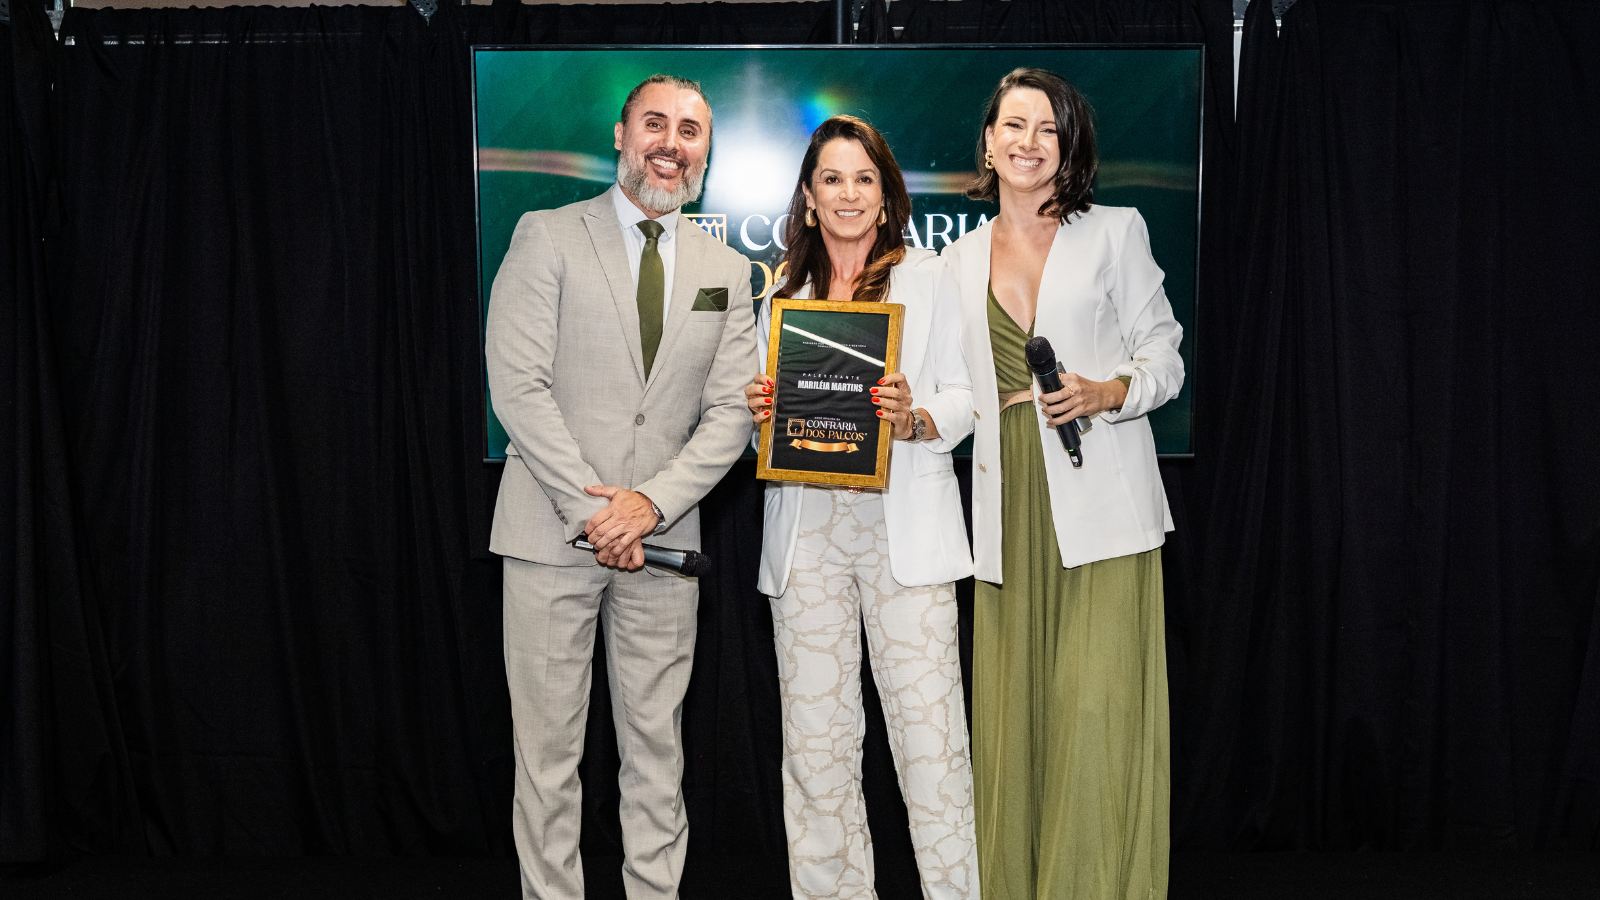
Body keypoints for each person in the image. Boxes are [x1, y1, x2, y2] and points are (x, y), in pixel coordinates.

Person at [485, 74, 758, 900]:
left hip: (665, 550)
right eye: (655, 124)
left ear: (706, 149)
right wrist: (597, 511)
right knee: (548, 763)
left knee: (657, 755)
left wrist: (650, 506)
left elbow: (731, 415)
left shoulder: (729, 270)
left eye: (690, 130)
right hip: (548, 539)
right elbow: (517, 387)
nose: (671, 143)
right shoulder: (547, 235)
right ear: (620, 134)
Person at [938, 68, 1185, 899]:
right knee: (1019, 726)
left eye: (1047, 128)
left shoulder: (1116, 231)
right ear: (988, 143)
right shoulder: (957, 258)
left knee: (1092, 719)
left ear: (1068, 144)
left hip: (1105, 507)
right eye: (1014, 125)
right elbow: (955, 396)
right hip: (1008, 510)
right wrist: (905, 419)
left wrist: (1110, 391)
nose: (1028, 142)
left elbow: (1165, 356)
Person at [744, 115, 979, 900]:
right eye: (832, 178)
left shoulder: (932, 278)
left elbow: (969, 399)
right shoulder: (782, 295)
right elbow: (763, 447)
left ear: (886, 197)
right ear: (809, 197)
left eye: (864, 178)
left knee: (931, 742)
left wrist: (913, 416)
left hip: (903, 529)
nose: (848, 193)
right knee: (816, 750)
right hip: (807, 533)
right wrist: (761, 415)